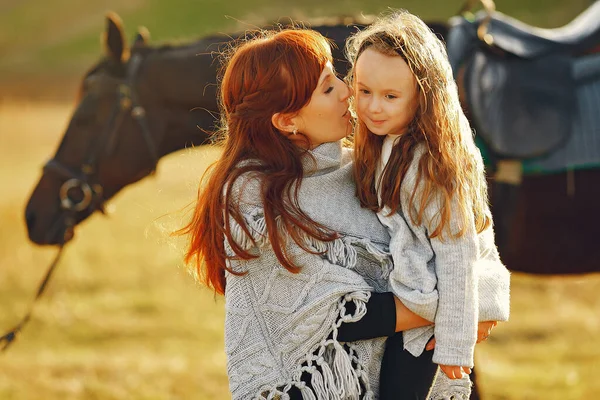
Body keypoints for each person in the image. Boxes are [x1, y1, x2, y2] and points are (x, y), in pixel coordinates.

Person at [180, 28, 437, 399]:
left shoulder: (367, 171)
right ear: (287, 121)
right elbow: (339, 315)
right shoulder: (254, 195)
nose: (347, 90)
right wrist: (451, 308)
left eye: (336, 75)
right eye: (327, 88)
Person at [346, 10, 511, 400]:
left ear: (423, 96)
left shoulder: (433, 165)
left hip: (434, 323)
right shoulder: (386, 140)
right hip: (413, 308)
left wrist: (456, 345)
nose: (372, 107)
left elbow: (458, 254)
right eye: (364, 90)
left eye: (390, 96)